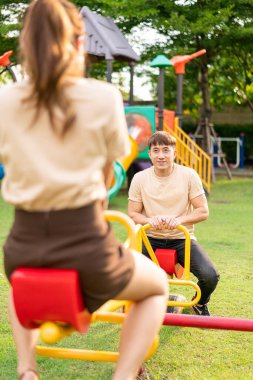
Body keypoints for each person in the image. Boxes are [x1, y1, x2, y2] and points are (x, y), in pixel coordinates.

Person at [0, 1, 168, 379]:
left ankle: (27, 370)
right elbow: (109, 175)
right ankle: (123, 376)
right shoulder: (102, 96)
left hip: (22, 245)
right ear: (79, 44)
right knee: (156, 286)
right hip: (85, 246)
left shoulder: (5, 100)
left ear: (27, 43)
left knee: (18, 281)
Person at [128, 131, 220, 316]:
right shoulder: (140, 178)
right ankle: (145, 304)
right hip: (150, 238)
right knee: (130, 276)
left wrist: (179, 220)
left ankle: (199, 304)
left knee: (210, 276)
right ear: (150, 154)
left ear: (174, 153)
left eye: (166, 150)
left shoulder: (189, 175)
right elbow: (133, 213)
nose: (161, 155)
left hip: (181, 238)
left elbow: (203, 211)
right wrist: (149, 221)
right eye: (156, 150)